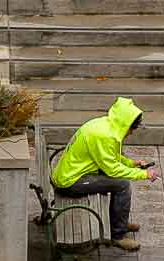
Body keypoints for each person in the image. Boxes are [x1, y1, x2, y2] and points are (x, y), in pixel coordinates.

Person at [51, 97, 153, 252]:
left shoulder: (105, 125)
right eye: (132, 129)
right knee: (122, 185)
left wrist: (131, 164)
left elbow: (108, 156)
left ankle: (120, 222)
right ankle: (118, 235)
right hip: (70, 182)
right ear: (125, 125)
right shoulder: (105, 136)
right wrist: (144, 174)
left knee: (118, 182)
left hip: (72, 173)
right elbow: (112, 169)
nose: (131, 133)